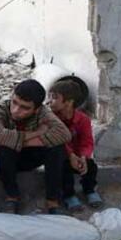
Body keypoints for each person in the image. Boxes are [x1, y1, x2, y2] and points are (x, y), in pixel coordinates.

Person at [0, 79, 72, 214]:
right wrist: (37, 133)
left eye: (25, 108)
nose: (16, 110)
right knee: (0, 148)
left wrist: (21, 142)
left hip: (30, 156)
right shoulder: (1, 109)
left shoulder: (43, 112)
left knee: (57, 148)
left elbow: (64, 134)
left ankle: (52, 200)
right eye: (14, 102)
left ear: (36, 109)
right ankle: (12, 197)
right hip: (7, 159)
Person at [48, 78, 103, 210]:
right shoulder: (51, 118)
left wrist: (83, 157)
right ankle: (69, 195)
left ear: (69, 102)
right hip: (61, 157)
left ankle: (89, 190)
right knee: (63, 168)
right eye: (49, 97)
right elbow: (58, 140)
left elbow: (87, 142)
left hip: (78, 157)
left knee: (91, 166)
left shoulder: (83, 120)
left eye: (54, 97)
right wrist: (70, 155)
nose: (49, 101)